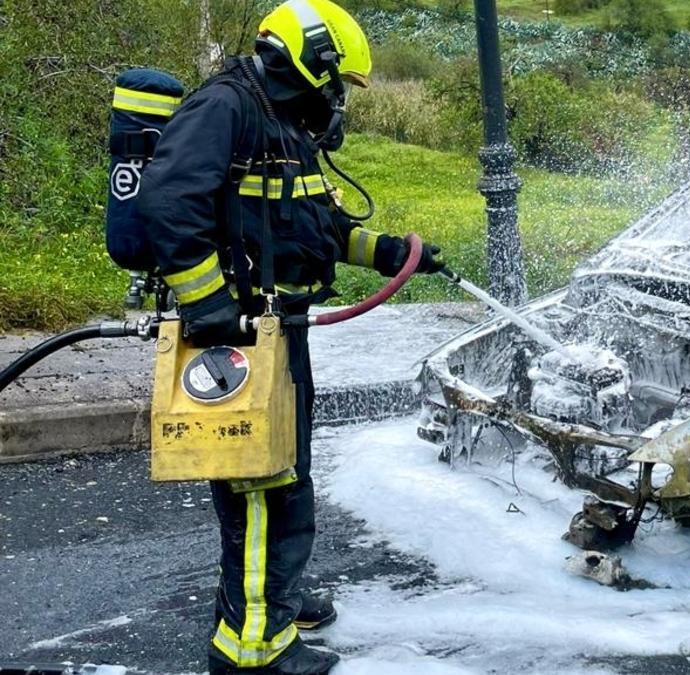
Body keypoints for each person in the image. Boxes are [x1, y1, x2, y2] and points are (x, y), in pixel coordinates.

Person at [138, 1, 443, 672]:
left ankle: (277, 596)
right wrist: (208, 302)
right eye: (338, 81)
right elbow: (168, 204)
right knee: (262, 488)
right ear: (310, 60)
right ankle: (254, 648)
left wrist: (393, 252)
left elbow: (317, 228)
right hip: (239, 338)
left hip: (279, 333)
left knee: (288, 478)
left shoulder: (283, 124)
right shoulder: (226, 110)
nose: (339, 97)